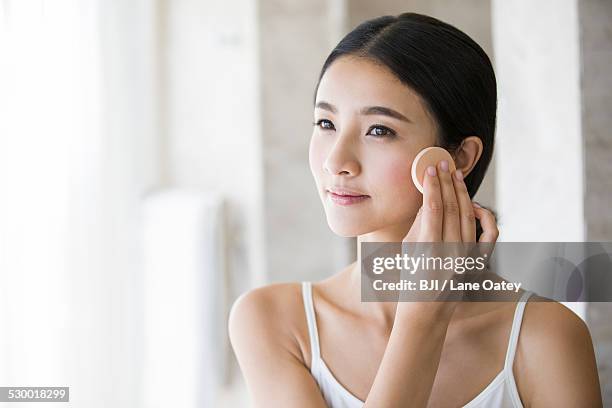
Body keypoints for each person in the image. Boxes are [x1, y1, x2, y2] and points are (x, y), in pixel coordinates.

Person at [229, 12, 602, 407]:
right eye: (325, 123)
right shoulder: (273, 321)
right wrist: (422, 318)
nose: (337, 160)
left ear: (458, 157)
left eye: (379, 130)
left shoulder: (545, 338)